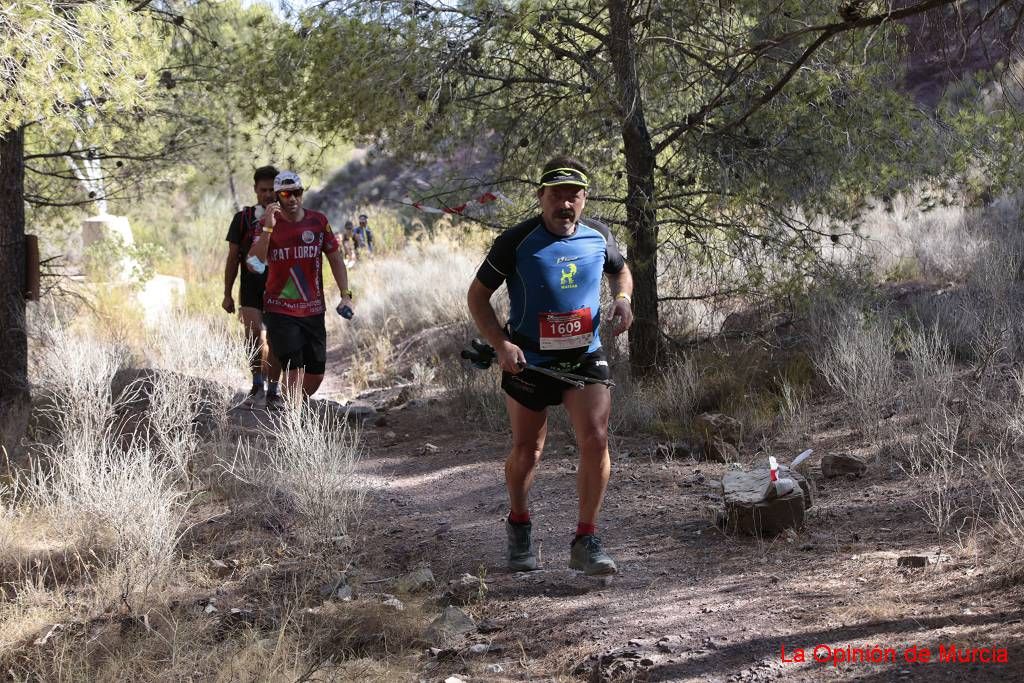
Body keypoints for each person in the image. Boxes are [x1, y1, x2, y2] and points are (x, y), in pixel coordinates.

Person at [467, 156, 634, 576]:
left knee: (595, 438)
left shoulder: (599, 235)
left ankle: (587, 538)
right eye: (556, 195)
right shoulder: (516, 240)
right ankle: (519, 524)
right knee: (529, 449)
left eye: (573, 195)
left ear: (584, 198)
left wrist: (623, 299)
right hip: (529, 361)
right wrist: (501, 344)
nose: (565, 204)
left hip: (584, 356)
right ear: (541, 197)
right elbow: (477, 297)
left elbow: (621, 271)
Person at [247, 171, 354, 398]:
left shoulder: (318, 221)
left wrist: (346, 294)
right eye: (285, 194)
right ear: (278, 197)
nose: (292, 198)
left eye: (296, 193)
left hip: (313, 309)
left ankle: (290, 405)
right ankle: (292, 422)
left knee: (315, 374)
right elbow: (254, 264)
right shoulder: (267, 224)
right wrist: (267, 228)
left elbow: (335, 258)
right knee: (294, 368)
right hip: (280, 308)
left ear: (302, 193)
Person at [223, 165, 283, 408]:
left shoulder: (287, 218)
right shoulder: (243, 219)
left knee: (277, 341)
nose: (268, 194)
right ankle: (257, 384)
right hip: (251, 289)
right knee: (254, 337)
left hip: (280, 289)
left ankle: (273, 391)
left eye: (272, 190)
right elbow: (232, 259)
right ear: (255, 190)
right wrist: (227, 294)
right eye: (263, 190)